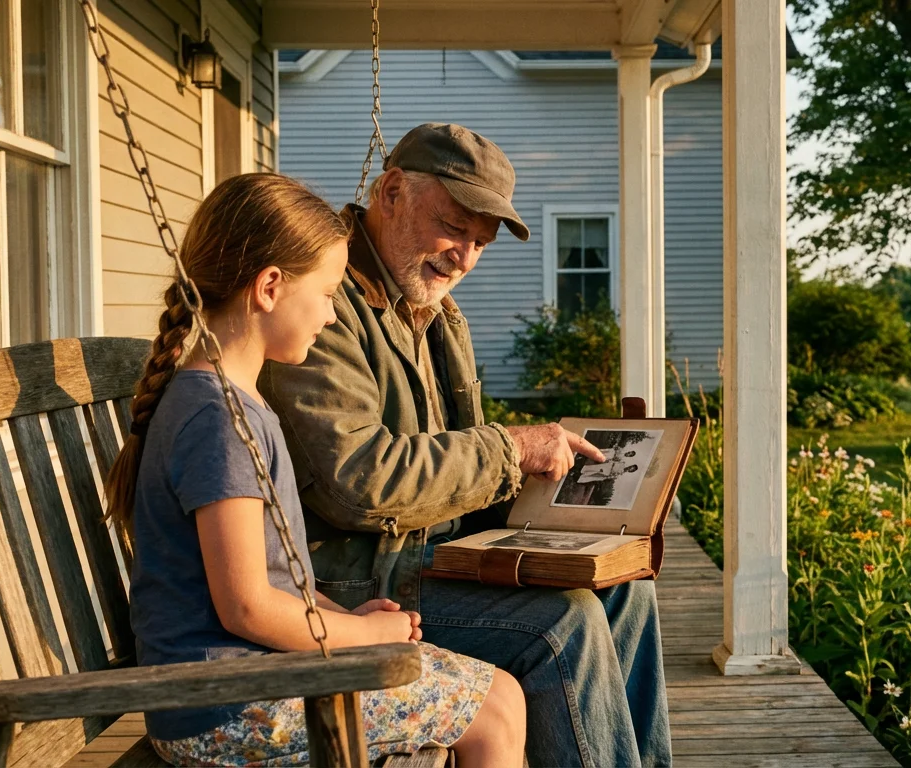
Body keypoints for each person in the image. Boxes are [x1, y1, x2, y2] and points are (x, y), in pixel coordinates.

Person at [260, 123, 672, 766]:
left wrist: (561, 515)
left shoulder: (435, 311)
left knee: (624, 589)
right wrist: (511, 451)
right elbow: (357, 479)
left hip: (435, 555)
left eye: (481, 242)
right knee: (565, 624)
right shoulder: (321, 297)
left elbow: (463, 460)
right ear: (392, 191)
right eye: (455, 227)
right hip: (357, 583)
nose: (465, 257)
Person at [104, 173, 526, 767]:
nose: (331, 316)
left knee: (497, 694)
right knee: (493, 710)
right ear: (270, 287)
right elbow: (246, 606)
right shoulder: (216, 418)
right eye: (327, 293)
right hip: (226, 710)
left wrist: (342, 618)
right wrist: (361, 638)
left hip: (252, 688)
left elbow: (274, 580)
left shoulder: (233, 402)